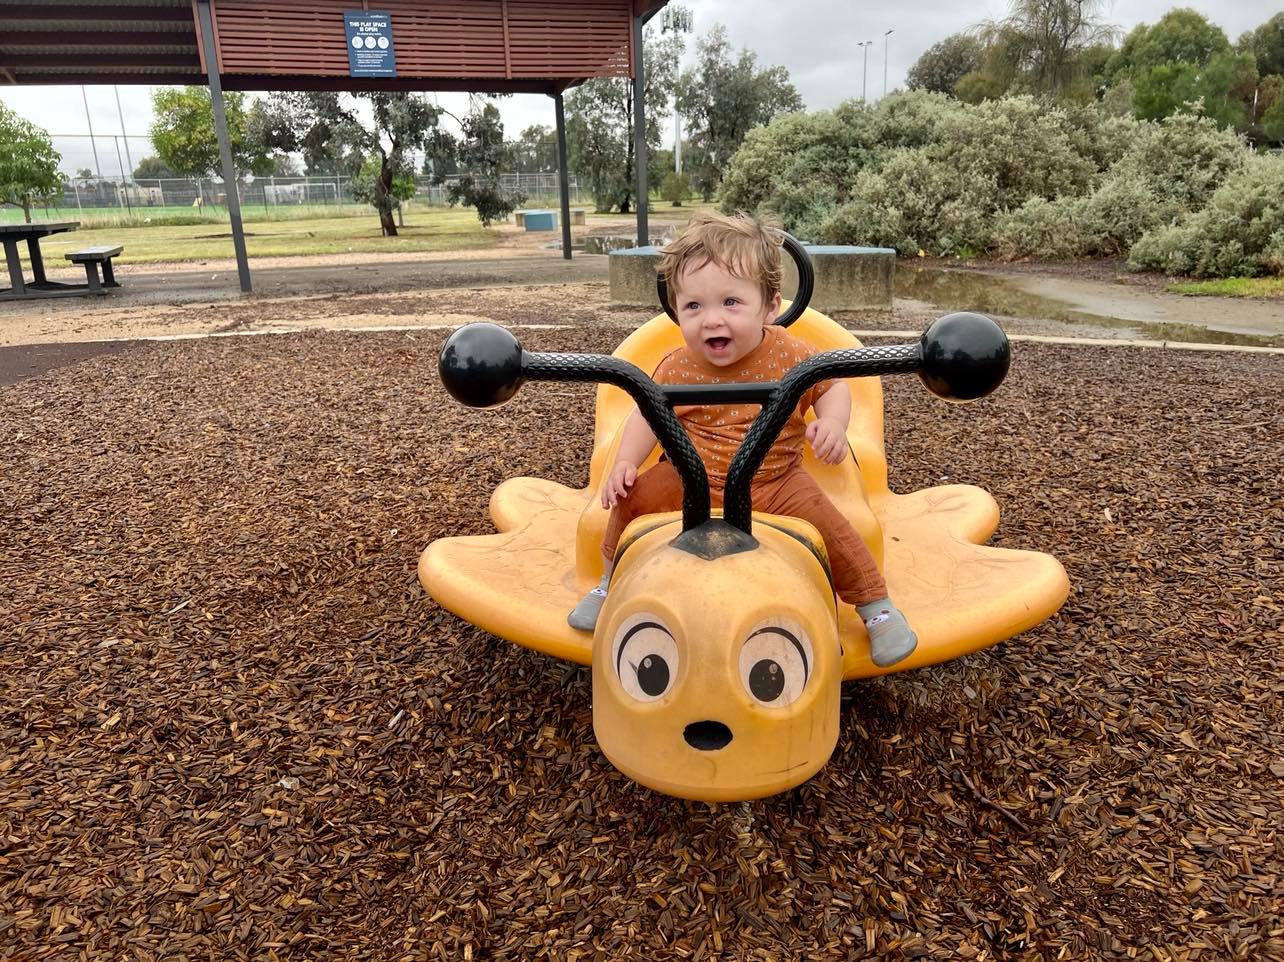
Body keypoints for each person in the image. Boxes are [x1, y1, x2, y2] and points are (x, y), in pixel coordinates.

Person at [568, 212, 917, 667]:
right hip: (688, 475)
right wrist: (625, 463)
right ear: (676, 309)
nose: (711, 320)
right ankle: (608, 582)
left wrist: (832, 424)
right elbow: (647, 416)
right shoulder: (677, 366)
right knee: (630, 499)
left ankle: (876, 608)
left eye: (731, 302)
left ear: (769, 306)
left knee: (833, 529)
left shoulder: (792, 353)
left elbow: (833, 387)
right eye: (693, 306)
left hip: (774, 479)